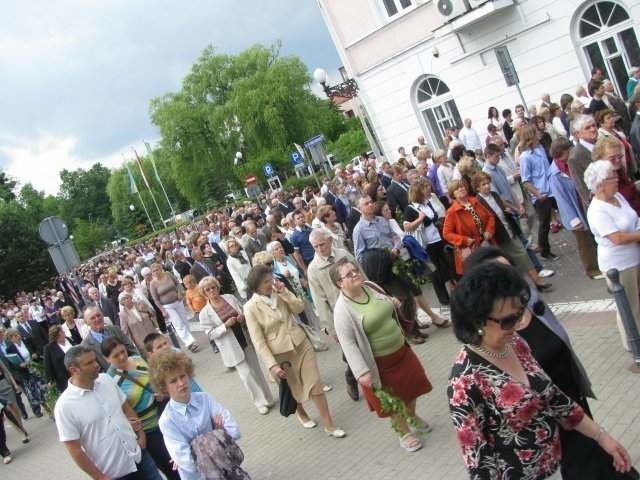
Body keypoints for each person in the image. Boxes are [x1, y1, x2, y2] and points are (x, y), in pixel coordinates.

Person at [447, 261, 632, 479]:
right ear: (477, 319)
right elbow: (479, 463)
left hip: (556, 465)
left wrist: (602, 437)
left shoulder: (515, 343)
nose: (516, 325)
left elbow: (554, 399)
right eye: (507, 321)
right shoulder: (464, 383)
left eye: (518, 314)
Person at [331, 258, 432, 452]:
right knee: (393, 401)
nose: (355, 274)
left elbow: (384, 302)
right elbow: (348, 344)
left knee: (413, 387)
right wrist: (361, 372)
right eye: (349, 274)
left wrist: (392, 303)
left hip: (401, 351)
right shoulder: (342, 311)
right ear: (339, 283)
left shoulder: (369, 286)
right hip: (380, 363)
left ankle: (412, 416)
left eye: (355, 270)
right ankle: (404, 434)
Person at [243, 265, 345, 438]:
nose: (270, 284)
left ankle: (329, 425)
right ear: (256, 285)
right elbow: (258, 341)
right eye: (265, 282)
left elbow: (298, 308)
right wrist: (272, 365)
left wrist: (285, 293)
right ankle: (302, 413)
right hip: (280, 355)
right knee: (293, 388)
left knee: (315, 384)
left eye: (271, 280)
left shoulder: (279, 293)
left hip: (301, 344)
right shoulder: (250, 307)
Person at [55, 345, 160, 480]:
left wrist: (141, 435)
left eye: (95, 360)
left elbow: (126, 408)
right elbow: (74, 449)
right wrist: (99, 477)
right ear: (74, 370)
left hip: (139, 457)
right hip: (114, 473)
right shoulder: (64, 406)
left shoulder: (106, 379)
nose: (96, 365)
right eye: (89, 363)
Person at [150, 350, 244, 480]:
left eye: (182, 376)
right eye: (173, 381)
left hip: (227, 471)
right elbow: (187, 463)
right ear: (164, 387)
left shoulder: (205, 399)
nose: (181, 383)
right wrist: (218, 434)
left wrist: (196, 447)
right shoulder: (167, 421)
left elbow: (234, 430)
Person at [102, 338, 179, 480]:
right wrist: (139, 432)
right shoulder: (109, 380)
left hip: (167, 416)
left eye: (123, 351)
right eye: (116, 355)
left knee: (182, 458)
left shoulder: (137, 360)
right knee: (171, 466)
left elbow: (154, 379)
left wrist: (160, 393)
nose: (122, 357)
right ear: (106, 359)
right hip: (149, 430)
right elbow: (120, 411)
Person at [198, 276, 274, 415]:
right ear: (204, 293)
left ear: (217, 287)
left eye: (213, 287)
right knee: (246, 375)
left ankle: (268, 398)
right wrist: (225, 326)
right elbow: (210, 334)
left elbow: (244, 311)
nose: (211, 291)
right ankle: (259, 403)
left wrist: (241, 317)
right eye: (207, 289)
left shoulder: (229, 297)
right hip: (231, 346)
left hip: (245, 339)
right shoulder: (204, 313)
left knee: (257, 371)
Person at [585, 160, 640, 351]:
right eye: (611, 177)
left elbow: (632, 218)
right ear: (599, 184)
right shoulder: (597, 210)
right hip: (620, 265)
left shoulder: (617, 197)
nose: (617, 180)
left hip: (635, 257)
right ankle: (635, 347)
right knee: (631, 308)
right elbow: (617, 238)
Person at [472, 172, 551, 291]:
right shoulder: (477, 202)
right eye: (483, 184)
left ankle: (537, 282)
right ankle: (523, 287)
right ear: (477, 187)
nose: (487, 186)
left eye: (488, 183)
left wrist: (514, 210)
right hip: (497, 235)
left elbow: (503, 204)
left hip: (509, 229)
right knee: (508, 263)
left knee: (523, 255)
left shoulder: (494, 194)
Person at [307, 229, 361, 401]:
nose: (319, 249)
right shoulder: (313, 269)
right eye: (315, 247)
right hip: (340, 315)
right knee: (351, 349)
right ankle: (352, 378)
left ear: (329, 241)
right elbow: (319, 301)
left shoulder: (343, 255)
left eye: (322, 244)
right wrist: (330, 328)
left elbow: (361, 275)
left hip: (359, 304)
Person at [547, 138, 602, 279]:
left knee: (593, 237)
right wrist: (573, 219)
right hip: (574, 211)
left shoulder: (569, 163)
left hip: (584, 205)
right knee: (584, 243)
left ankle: (600, 264)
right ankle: (592, 270)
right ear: (563, 152)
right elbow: (561, 199)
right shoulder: (555, 174)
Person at [403, 180, 455, 306]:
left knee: (448, 264)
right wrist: (420, 219)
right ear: (417, 193)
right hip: (427, 245)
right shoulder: (411, 209)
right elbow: (407, 227)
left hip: (438, 239)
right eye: (423, 190)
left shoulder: (427, 204)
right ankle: (443, 298)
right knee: (435, 272)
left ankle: (454, 290)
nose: (426, 191)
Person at [519, 124, 559, 261]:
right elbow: (526, 181)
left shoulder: (540, 148)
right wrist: (537, 194)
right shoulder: (525, 157)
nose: (539, 134)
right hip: (542, 194)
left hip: (552, 189)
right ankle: (544, 250)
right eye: (536, 132)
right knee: (544, 223)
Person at [442, 179, 496, 276]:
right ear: (453, 194)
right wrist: (464, 240)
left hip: (486, 242)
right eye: (457, 189)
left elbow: (490, 216)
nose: (461, 189)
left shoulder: (474, 201)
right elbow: (447, 234)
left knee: (495, 269)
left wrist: (489, 230)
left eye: (462, 186)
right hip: (471, 249)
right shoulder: (452, 212)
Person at [149, 263, 199, 353]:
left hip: (178, 301)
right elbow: (156, 300)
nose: (156, 272)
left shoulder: (168, 274)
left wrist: (180, 293)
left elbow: (177, 283)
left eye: (157, 269)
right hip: (167, 306)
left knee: (184, 321)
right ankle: (189, 343)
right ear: (152, 273)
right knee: (178, 323)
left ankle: (190, 341)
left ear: (160, 269)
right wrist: (162, 311)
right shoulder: (153, 284)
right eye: (153, 271)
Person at [81, 306, 138, 371]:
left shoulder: (115, 329)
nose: (97, 319)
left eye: (99, 315)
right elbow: (96, 370)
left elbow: (132, 350)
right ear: (86, 322)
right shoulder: (85, 346)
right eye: (92, 318)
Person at [4, 329, 45, 418]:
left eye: (18, 334)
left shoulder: (27, 341)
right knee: (31, 392)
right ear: (11, 339)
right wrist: (19, 365)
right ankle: (36, 409)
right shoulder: (10, 349)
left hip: (35, 367)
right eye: (15, 336)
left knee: (41, 387)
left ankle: (47, 404)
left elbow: (37, 349)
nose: (18, 336)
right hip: (24, 372)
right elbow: (11, 365)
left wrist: (35, 354)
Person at [569, 114, 599, 206]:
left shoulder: (602, 143)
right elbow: (583, 189)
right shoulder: (575, 157)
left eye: (594, 125)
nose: (593, 129)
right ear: (578, 134)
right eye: (587, 128)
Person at [118, 292, 158, 357]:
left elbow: (153, 313)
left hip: (153, 334)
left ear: (131, 298)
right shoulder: (122, 314)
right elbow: (125, 332)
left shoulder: (141, 304)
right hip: (141, 342)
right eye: (123, 300)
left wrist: (145, 310)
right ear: (122, 303)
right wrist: (131, 345)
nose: (126, 300)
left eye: (127, 298)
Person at [0, 358, 29, 446]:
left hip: (5, 384)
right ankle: (21, 433)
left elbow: (7, 371)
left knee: (15, 410)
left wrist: (15, 385)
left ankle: (21, 426)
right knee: (8, 412)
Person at [43, 325, 72, 393]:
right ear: (56, 335)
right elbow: (47, 365)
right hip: (64, 376)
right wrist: (50, 380)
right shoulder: (49, 348)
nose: (64, 332)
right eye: (62, 331)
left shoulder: (69, 339)